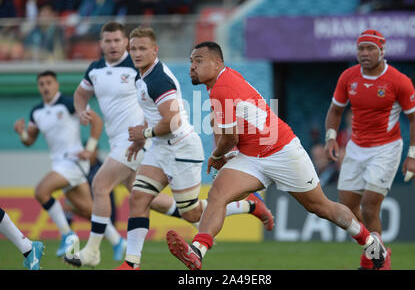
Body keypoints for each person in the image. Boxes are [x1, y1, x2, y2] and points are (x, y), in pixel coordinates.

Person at [165, 41, 385, 271]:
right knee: (218, 194)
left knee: (321, 207)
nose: (192, 66)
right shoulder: (218, 84)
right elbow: (228, 129)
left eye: (198, 60)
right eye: (191, 61)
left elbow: (230, 139)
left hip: (282, 151)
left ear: (218, 62)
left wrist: (217, 155)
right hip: (252, 156)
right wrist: (223, 151)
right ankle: (197, 251)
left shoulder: (223, 88)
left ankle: (371, 243)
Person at [114, 27, 274, 270]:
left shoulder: (158, 80)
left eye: (142, 48)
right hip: (160, 147)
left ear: (155, 50)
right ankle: (131, 264)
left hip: (181, 149)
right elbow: (154, 114)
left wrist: (143, 134)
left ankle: (250, 205)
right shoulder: (142, 77)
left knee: (192, 214)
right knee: (138, 197)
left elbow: (173, 121)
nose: (137, 53)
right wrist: (142, 138)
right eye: (133, 48)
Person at [63, 21, 190, 268]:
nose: (112, 45)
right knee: (143, 197)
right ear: (101, 44)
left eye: (117, 41)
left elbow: (154, 100)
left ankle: (92, 251)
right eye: (107, 41)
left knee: (100, 184)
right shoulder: (95, 69)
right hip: (117, 143)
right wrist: (81, 111)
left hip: (135, 140)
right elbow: (80, 94)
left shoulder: (136, 66)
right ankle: (202, 214)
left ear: (125, 43)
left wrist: (144, 131)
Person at [324, 30, 415, 270]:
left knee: (369, 205)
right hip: (356, 147)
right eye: (361, 49)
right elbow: (335, 110)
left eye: (371, 49)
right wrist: (331, 138)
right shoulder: (348, 77)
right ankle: (373, 252)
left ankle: (380, 259)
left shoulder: (398, 80)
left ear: (382, 51)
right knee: (346, 209)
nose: (365, 53)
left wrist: (413, 155)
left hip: (386, 148)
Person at [12, 70, 124, 259]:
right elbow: (30, 140)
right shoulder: (37, 111)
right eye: (42, 84)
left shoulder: (69, 103)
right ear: (38, 87)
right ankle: (117, 241)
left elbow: (96, 121)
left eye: (49, 83)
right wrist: (21, 133)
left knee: (41, 191)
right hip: (59, 164)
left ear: (56, 84)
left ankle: (67, 234)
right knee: (89, 210)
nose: (46, 87)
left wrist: (90, 149)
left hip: (74, 162)